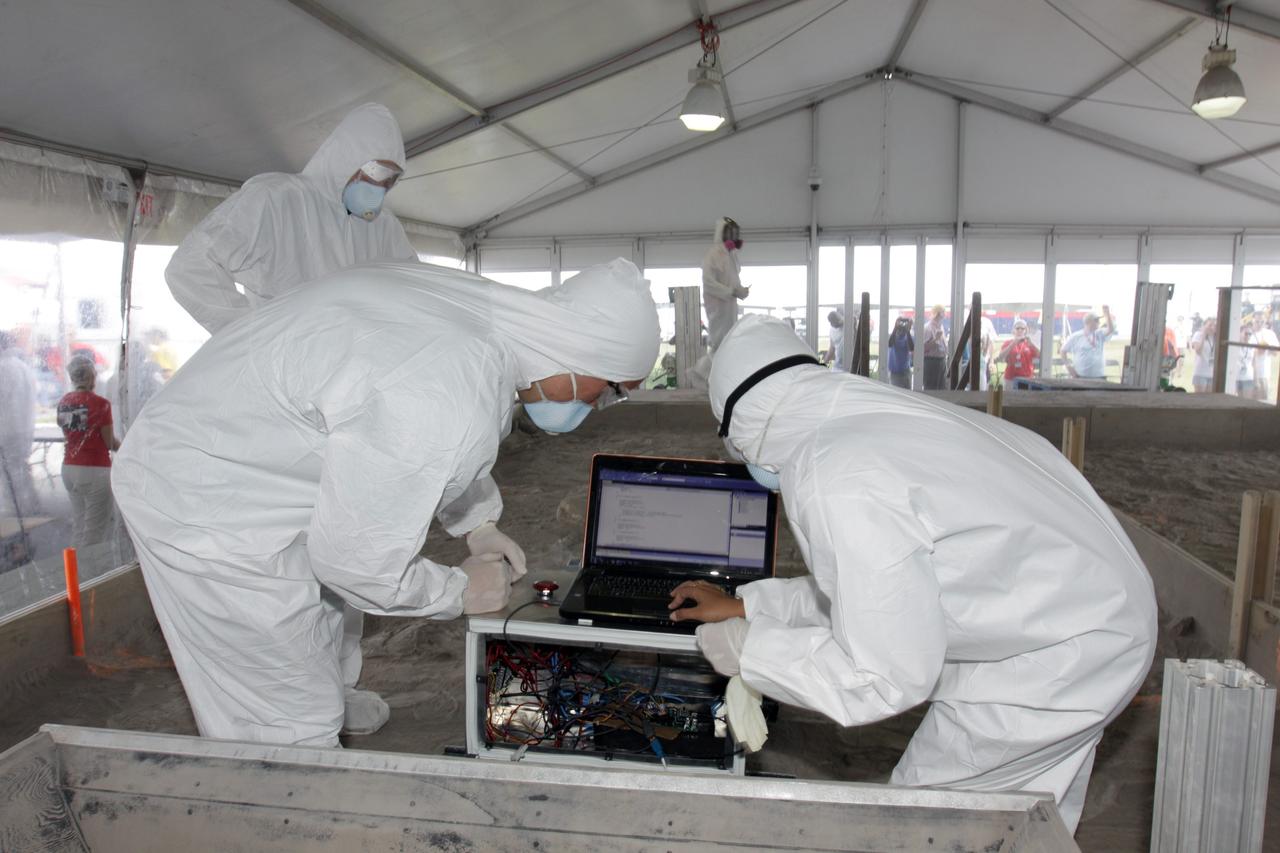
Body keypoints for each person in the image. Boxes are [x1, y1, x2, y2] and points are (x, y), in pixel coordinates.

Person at [112, 259, 659, 748]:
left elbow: (420, 444)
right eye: (611, 388)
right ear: (579, 354)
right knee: (280, 709)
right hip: (203, 502)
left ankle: (327, 692)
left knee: (325, 608)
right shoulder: (446, 382)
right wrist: (455, 590)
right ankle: (289, 766)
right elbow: (356, 563)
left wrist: (477, 523)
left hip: (255, 453)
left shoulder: (478, 321)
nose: (603, 403)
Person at [669, 314, 1156, 834]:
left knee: (925, 822)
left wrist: (753, 649)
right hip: (1078, 617)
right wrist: (752, 605)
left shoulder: (833, 471)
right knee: (1017, 818)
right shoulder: (875, 421)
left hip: (1061, 658)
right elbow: (881, 588)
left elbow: (885, 676)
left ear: (743, 429)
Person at [165, 103, 417, 335]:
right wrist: (251, 337)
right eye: (377, 172)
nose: (380, 187)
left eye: (391, 179)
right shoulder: (276, 199)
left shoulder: (385, 227)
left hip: (354, 368)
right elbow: (190, 267)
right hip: (285, 371)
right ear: (349, 156)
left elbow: (416, 287)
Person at [56, 356, 120, 549]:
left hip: (69, 468)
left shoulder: (64, 402)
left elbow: (69, 433)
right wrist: (128, 449)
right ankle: (91, 574)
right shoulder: (101, 404)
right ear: (92, 376)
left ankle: (74, 572)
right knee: (95, 531)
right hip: (95, 470)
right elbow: (109, 442)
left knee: (79, 525)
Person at [0, 331, 39, 517]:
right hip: (23, 427)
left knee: (9, 474)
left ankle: (16, 514)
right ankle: (30, 507)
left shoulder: (3, 368)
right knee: (20, 468)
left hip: (6, 430)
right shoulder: (22, 367)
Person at [702, 217, 750, 352]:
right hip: (718, 307)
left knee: (728, 342)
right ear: (722, 233)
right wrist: (730, 292)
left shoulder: (732, 256)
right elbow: (708, 282)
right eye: (731, 233)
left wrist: (741, 291)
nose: (734, 237)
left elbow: (734, 280)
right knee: (718, 343)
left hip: (730, 306)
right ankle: (702, 372)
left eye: (735, 233)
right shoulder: (712, 255)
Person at [1060, 306, 1116, 380]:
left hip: (1099, 376)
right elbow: (1063, 351)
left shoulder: (1099, 333)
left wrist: (1107, 314)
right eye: (1096, 320)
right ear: (1088, 322)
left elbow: (1110, 329)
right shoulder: (1076, 336)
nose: (1099, 322)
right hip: (1081, 376)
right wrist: (1068, 367)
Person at [998, 318, 1039, 383]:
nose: (1020, 330)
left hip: (1027, 378)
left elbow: (1039, 356)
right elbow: (1000, 357)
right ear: (1013, 330)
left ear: (1026, 331)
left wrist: (1031, 345)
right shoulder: (1008, 343)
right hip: (1010, 378)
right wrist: (1012, 344)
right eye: (1017, 328)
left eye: (1022, 328)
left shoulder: (1029, 343)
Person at [1250, 312, 1278, 401]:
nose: (1259, 324)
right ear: (1252, 320)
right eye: (1257, 321)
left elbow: (1276, 352)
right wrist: (1256, 351)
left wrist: (1267, 348)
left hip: (1263, 373)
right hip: (1247, 374)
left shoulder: (1270, 334)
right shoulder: (1247, 333)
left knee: (1262, 400)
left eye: (1262, 322)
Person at [922, 305, 948, 390]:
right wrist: (935, 339)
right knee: (931, 388)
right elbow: (923, 348)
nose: (944, 315)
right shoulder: (927, 328)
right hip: (932, 362)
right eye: (942, 312)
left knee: (941, 388)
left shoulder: (941, 326)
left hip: (941, 361)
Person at [1189, 317, 1217, 393]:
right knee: (1200, 399)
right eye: (1210, 325)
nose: (1212, 327)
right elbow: (1198, 350)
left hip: (1212, 374)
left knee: (1209, 400)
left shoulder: (1216, 338)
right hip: (1200, 373)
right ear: (1204, 326)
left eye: (1214, 325)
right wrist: (1204, 334)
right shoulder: (1198, 334)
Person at [886, 316, 914, 388]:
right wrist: (895, 327)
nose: (902, 325)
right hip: (895, 372)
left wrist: (907, 331)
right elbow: (889, 344)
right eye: (901, 322)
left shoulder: (909, 337)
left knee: (908, 394)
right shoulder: (893, 336)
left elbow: (911, 348)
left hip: (906, 370)